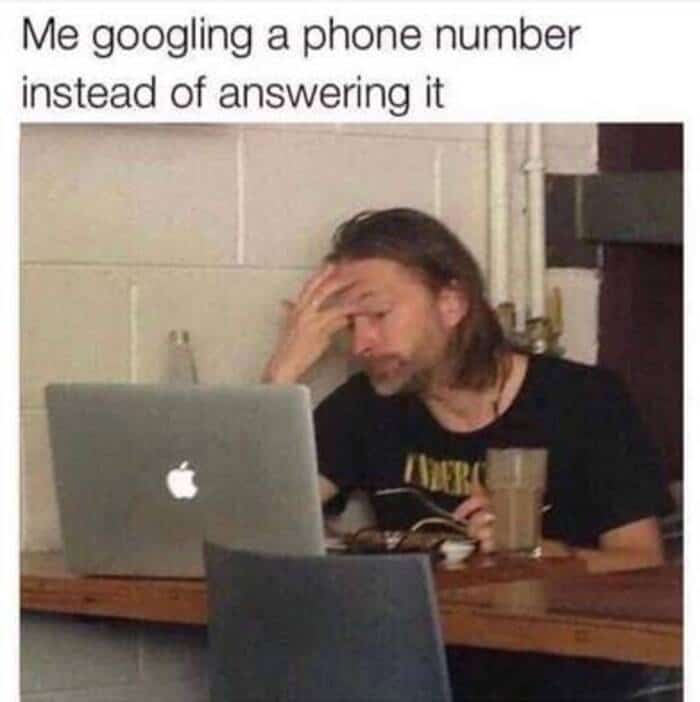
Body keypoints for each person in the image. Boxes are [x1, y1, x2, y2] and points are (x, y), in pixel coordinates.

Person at [262, 207, 674, 701]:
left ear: (451, 303)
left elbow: (642, 560)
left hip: (564, 676)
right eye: (350, 325)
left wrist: (545, 554)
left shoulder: (584, 399)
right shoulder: (365, 405)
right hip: (420, 675)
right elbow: (262, 521)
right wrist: (281, 375)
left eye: (379, 316)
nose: (362, 344)